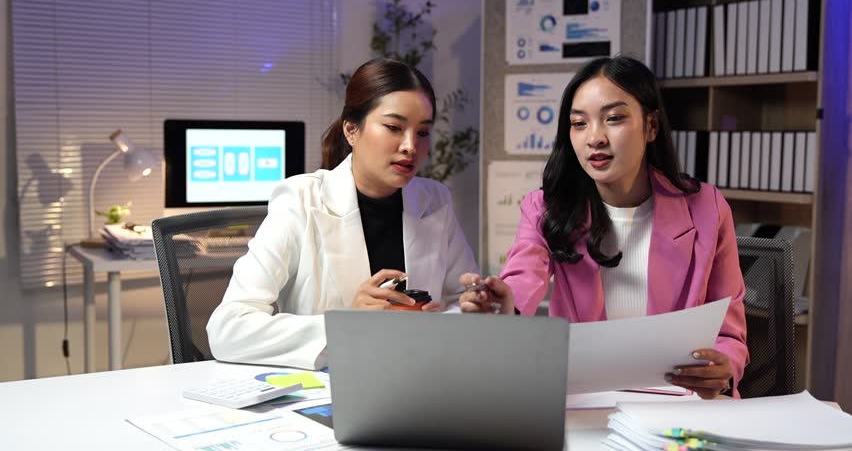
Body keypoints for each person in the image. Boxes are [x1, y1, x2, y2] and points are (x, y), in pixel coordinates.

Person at [460, 56, 748, 399]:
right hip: (588, 400)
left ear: (651, 126)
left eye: (613, 119)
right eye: (579, 123)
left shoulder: (705, 207)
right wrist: (500, 304)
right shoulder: (546, 207)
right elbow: (521, 280)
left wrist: (723, 367)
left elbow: (730, 334)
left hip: (677, 402)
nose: (595, 138)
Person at [207, 58, 478, 370]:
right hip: (330, 388)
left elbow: (460, 301)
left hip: (416, 378)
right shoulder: (300, 200)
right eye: (393, 127)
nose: (410, 146)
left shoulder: (435, 200)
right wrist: (347, 327)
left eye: (423, 132)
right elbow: (228, 329)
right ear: (351, 129)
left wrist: (473, 308)